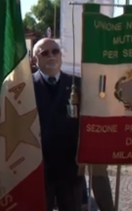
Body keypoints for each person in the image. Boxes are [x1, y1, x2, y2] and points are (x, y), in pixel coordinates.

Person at [32, 38, 83, 211]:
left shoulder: (78, 84)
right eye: (44, 53)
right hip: (38, 168)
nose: (51, 56)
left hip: (70, 168)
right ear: (35, 59)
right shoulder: (25, 87)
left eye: (55, 51)